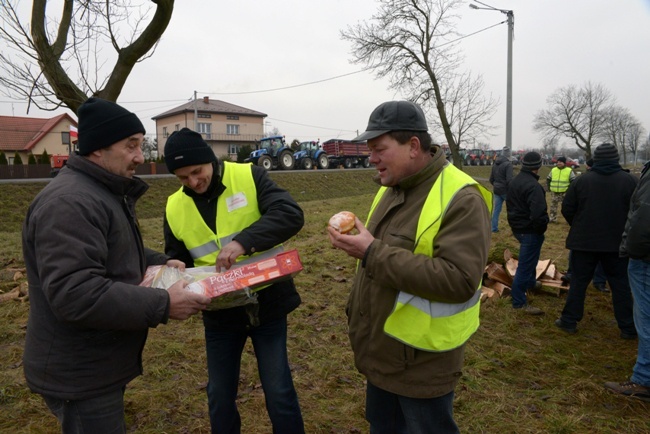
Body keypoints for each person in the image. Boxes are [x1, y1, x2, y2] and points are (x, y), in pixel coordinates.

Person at [21, 98, 211, 433]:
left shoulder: (100, 191)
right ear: (97, 149)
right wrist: (164, 303)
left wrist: (159, 261)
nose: (140, 156)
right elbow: (75, 293)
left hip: (95, 362)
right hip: (79, 372)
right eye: (131, 146)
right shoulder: (70, 203)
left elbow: (110, 252)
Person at [328, 101, 492, 433]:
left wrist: (371, 251)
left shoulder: (462, 198)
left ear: (413, 146)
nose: (371, 158)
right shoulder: (391, 187)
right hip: (382, 353)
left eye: (379, 149)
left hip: (423, 364)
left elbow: (459, 279)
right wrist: (363, 245)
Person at [163, 128, 305, 434]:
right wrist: (175, 267)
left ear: (209, 160)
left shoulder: (249, 176)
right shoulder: (174, 206)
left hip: (267, 305)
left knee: (279, 392)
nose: (193, 182)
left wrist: (243, 242)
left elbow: (290, 213)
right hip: (220, 315)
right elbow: (178, 256)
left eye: (197, 172)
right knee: (219, 396)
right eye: (182, 177)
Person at [555, 143, 637, 338]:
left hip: (584, 243)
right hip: (617, 244)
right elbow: (637, 212)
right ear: (616, 159)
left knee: (578, 282)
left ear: (596, 159)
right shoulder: (630, 181)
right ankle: (628, 327)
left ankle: (569, 321)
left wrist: (579, 225)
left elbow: (567, 208)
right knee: (621, 285)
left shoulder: (582, 181)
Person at [604, 159, 650, 401]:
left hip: (644, 256)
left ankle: (644, 379)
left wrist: (630, 249)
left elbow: (643, 216)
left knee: (646, 316)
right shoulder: (631, 178)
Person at [506, 151, 549, 315]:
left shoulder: (515, 181)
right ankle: (518, 301)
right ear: (538, 166)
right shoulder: (534, 186)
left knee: (531, 259)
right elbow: (538, 213)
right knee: (525, 266)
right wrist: (541, 228)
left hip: (518, 228)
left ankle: (531, 282)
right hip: (529, 230)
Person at [489, 146, 513, 233]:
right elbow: (509, 180)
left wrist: (496, 185)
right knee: (512, 209)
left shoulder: (495, 163)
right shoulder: (508, 165)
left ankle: (493, 228)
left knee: (496, 210)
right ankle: (514, 228)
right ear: (508, 154)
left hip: (497, 190)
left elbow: (491, 179)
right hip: (506, 191)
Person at [546, 156, 576, 222]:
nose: (559, 163)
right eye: (558, 162)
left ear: (564, 163)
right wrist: (549, 188)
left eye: (560, 162)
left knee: (566, 207)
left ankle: (569, 219)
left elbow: (573, 181)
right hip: (554, 192)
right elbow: (548, 179)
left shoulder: (569, 170)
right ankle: (552, 219)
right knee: (553, 206)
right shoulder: (553, 170)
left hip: (564, 192)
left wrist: (569, 190)